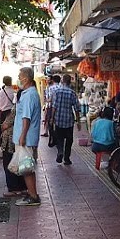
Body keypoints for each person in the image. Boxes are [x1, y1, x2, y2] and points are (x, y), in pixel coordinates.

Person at [13, 66, 43, 206]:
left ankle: (33, 196)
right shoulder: (29, 93)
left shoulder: (29, 95)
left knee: (27, 168)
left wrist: (23, 135)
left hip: (27, 137)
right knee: (26, 167)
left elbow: (26, 117)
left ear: (26, 78)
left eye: (20, 76)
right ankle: (32, 193)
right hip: (27, 137)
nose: (18, 78)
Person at [50, 74, 80, 165]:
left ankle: (60, 152)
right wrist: (78, 121)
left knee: (59, 139)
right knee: (69, 140)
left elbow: (54, 106)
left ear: (62, 81)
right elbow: (76, 108)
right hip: (69, 121)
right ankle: (67, 158)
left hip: (58, 120)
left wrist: (52, 118)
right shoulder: (72, 92)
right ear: (70, 82)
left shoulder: (57, 92)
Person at [44, 74, 62, 147]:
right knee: (57, 123)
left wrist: (47, 101)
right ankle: (58, 138)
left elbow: (50, 99)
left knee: (50, 123)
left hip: (51, 107)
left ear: (53, 80)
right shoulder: (61, 87)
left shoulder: (50, 88)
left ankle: (52, 138)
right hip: (59, 107)